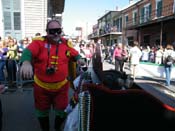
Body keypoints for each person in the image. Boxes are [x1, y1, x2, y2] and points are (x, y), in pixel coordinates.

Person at [19, 20, 83, 131]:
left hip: (61, 87)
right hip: (41, 87)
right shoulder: (38, 43)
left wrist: (80, 59)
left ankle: (57, 128)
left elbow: (75, 54)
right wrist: (26, 62)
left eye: (58, 31)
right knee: (42, 111)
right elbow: (27, 52)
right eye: (52, 31)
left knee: (62, 111)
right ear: (47, 32)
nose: (56, 34)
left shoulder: (65, 43)